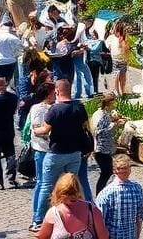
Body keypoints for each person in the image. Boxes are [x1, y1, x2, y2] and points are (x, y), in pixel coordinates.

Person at [32, 79, 90, 232]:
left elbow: (45, 130)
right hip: (75, 154)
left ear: (57, 91)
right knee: (72, 185)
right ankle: (73, 214)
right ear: (70, 90)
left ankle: (38, 220)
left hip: (56, 153)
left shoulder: (54, 110)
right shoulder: (79, 107)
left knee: (46, 186)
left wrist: (35, 130)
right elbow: (85, 126)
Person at [38, 172, 109, 239]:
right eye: (68, 193)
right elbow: (42, 236)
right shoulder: (53, 213)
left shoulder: (93, 211)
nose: (73, 196)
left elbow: (103, 237)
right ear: (59, 193)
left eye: (75, 192)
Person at [95, 155, 143, 239]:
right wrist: (137, 235)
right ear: (130, 170)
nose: (123, 171)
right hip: (130, 235)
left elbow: (99, 221)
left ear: (114, 170)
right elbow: (139, 217)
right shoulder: (137, 188)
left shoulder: (106, 193)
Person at [29, 82, 56, 232]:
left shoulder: (53, 107)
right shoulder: (38, 108)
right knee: (41, 183)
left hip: (50, 149)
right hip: (42, 149)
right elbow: (37, 128)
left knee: (46, 184)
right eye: (53, 92)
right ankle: (37, 218)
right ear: (47, 94)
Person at [91, 93, 122, 195]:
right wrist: (114, 124)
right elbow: (100, 131)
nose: (116, 104)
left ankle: (104, 193)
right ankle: (100, 194)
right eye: (114, 102)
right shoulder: (102, 115)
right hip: (101, 149)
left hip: (104, 148)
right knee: (106, 172)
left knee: (107, 172)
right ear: (109, 103)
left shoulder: (102, 113)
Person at [0, 19, 25, 83]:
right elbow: (21, 49)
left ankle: (1, 92)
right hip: (11, 62)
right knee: (8, 81)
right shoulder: (14, 38)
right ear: (11, 28)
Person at [105, 21, 129, 97]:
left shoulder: (111, 38)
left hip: (115, 59)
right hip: (123, 60)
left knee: (115, 76)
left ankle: (117, 93)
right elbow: (127, 50)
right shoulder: (124, 38)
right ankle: (123, 92)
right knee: (122, 77)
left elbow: (107, 47)